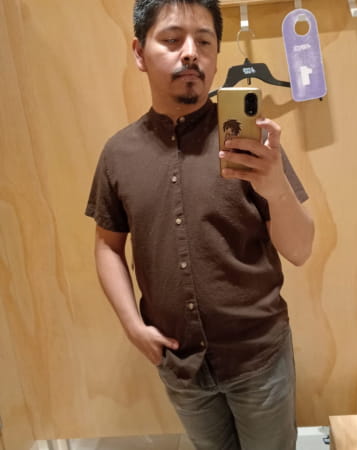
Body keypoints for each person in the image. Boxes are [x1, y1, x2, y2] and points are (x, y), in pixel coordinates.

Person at [85, 0, 314, 448]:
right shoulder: (118, 154)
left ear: (216, 56)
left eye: (204, 42)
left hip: (259, 358)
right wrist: (132, 325)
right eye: (172, 40)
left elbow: (301, 249)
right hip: (180, 366)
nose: (190, 52)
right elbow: (107, 246)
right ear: (139, 52)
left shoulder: (249, 143)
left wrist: (274, 186)